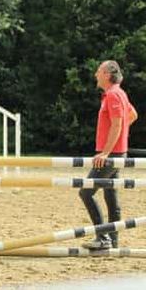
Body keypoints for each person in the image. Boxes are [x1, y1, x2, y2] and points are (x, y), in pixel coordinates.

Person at [79, 60, 138, 250]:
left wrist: (106, 151)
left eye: (98, 71)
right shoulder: (119, 93)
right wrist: (120, 140)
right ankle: (112, 240)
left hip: (110, 154)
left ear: (106, 74)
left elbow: (118, 123)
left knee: (86, 192)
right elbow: (133, 115)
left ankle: (103, 237)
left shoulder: (113, 95)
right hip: (118, 152)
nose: (95, 75)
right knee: (110, 195)